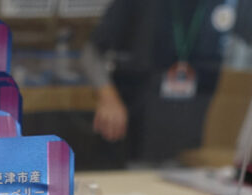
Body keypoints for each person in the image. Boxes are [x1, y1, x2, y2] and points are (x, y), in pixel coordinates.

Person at [83, 0, 252, 163]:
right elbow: (91, 53)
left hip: (191, 135)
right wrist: (108, 97)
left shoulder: (228, 3)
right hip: (134, 127)